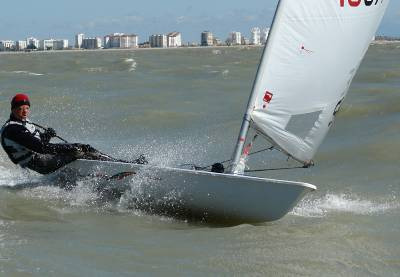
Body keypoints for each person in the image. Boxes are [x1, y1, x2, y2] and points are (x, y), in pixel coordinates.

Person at [1, 93, 93, 174]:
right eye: (20, 108)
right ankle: (98, 170)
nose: (25, 111)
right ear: (13, 109)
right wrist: (70, 148)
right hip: (39, 163)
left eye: (27, 108)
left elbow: (39, 141)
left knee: (80, 147)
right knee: (77, 150)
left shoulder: (22, 122)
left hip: (41, 158)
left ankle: (104, 160)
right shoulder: (13, 129)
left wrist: (47, 135)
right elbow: (41, 147)